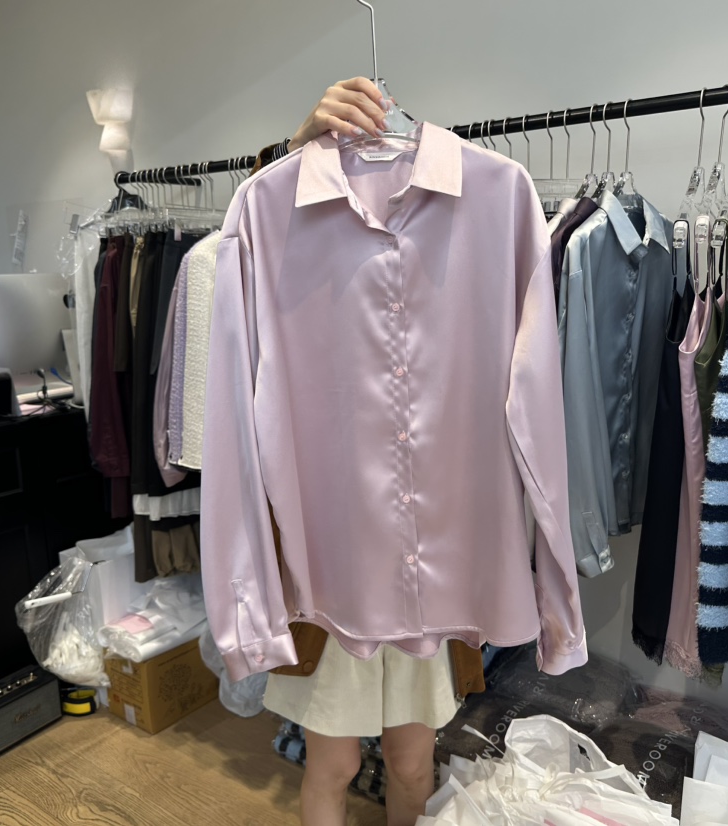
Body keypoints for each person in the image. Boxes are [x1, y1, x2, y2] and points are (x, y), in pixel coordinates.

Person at [249, 78, 486, 826]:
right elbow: (260, 236)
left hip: (425, 557)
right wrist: (296, 149)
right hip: (335, 559)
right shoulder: (293, 217)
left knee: (413, 762)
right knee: (333, 762)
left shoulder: (466, 211)